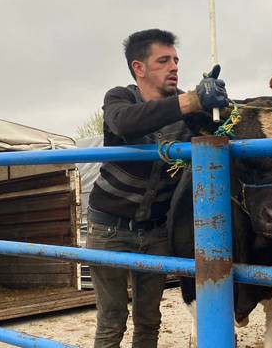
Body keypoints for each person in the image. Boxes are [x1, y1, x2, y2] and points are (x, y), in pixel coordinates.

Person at [86, 29, 228, 348]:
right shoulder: (119, 99)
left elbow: (213, 134)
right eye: (163, 61)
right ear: (139, 68)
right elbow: (125, 122)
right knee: (111, 320)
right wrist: (191, 100)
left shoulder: (184, 108)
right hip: (109, 227)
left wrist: (219, 110)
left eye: (175, 60)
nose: (174, 67)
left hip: (155, 232)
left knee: (149, 320)